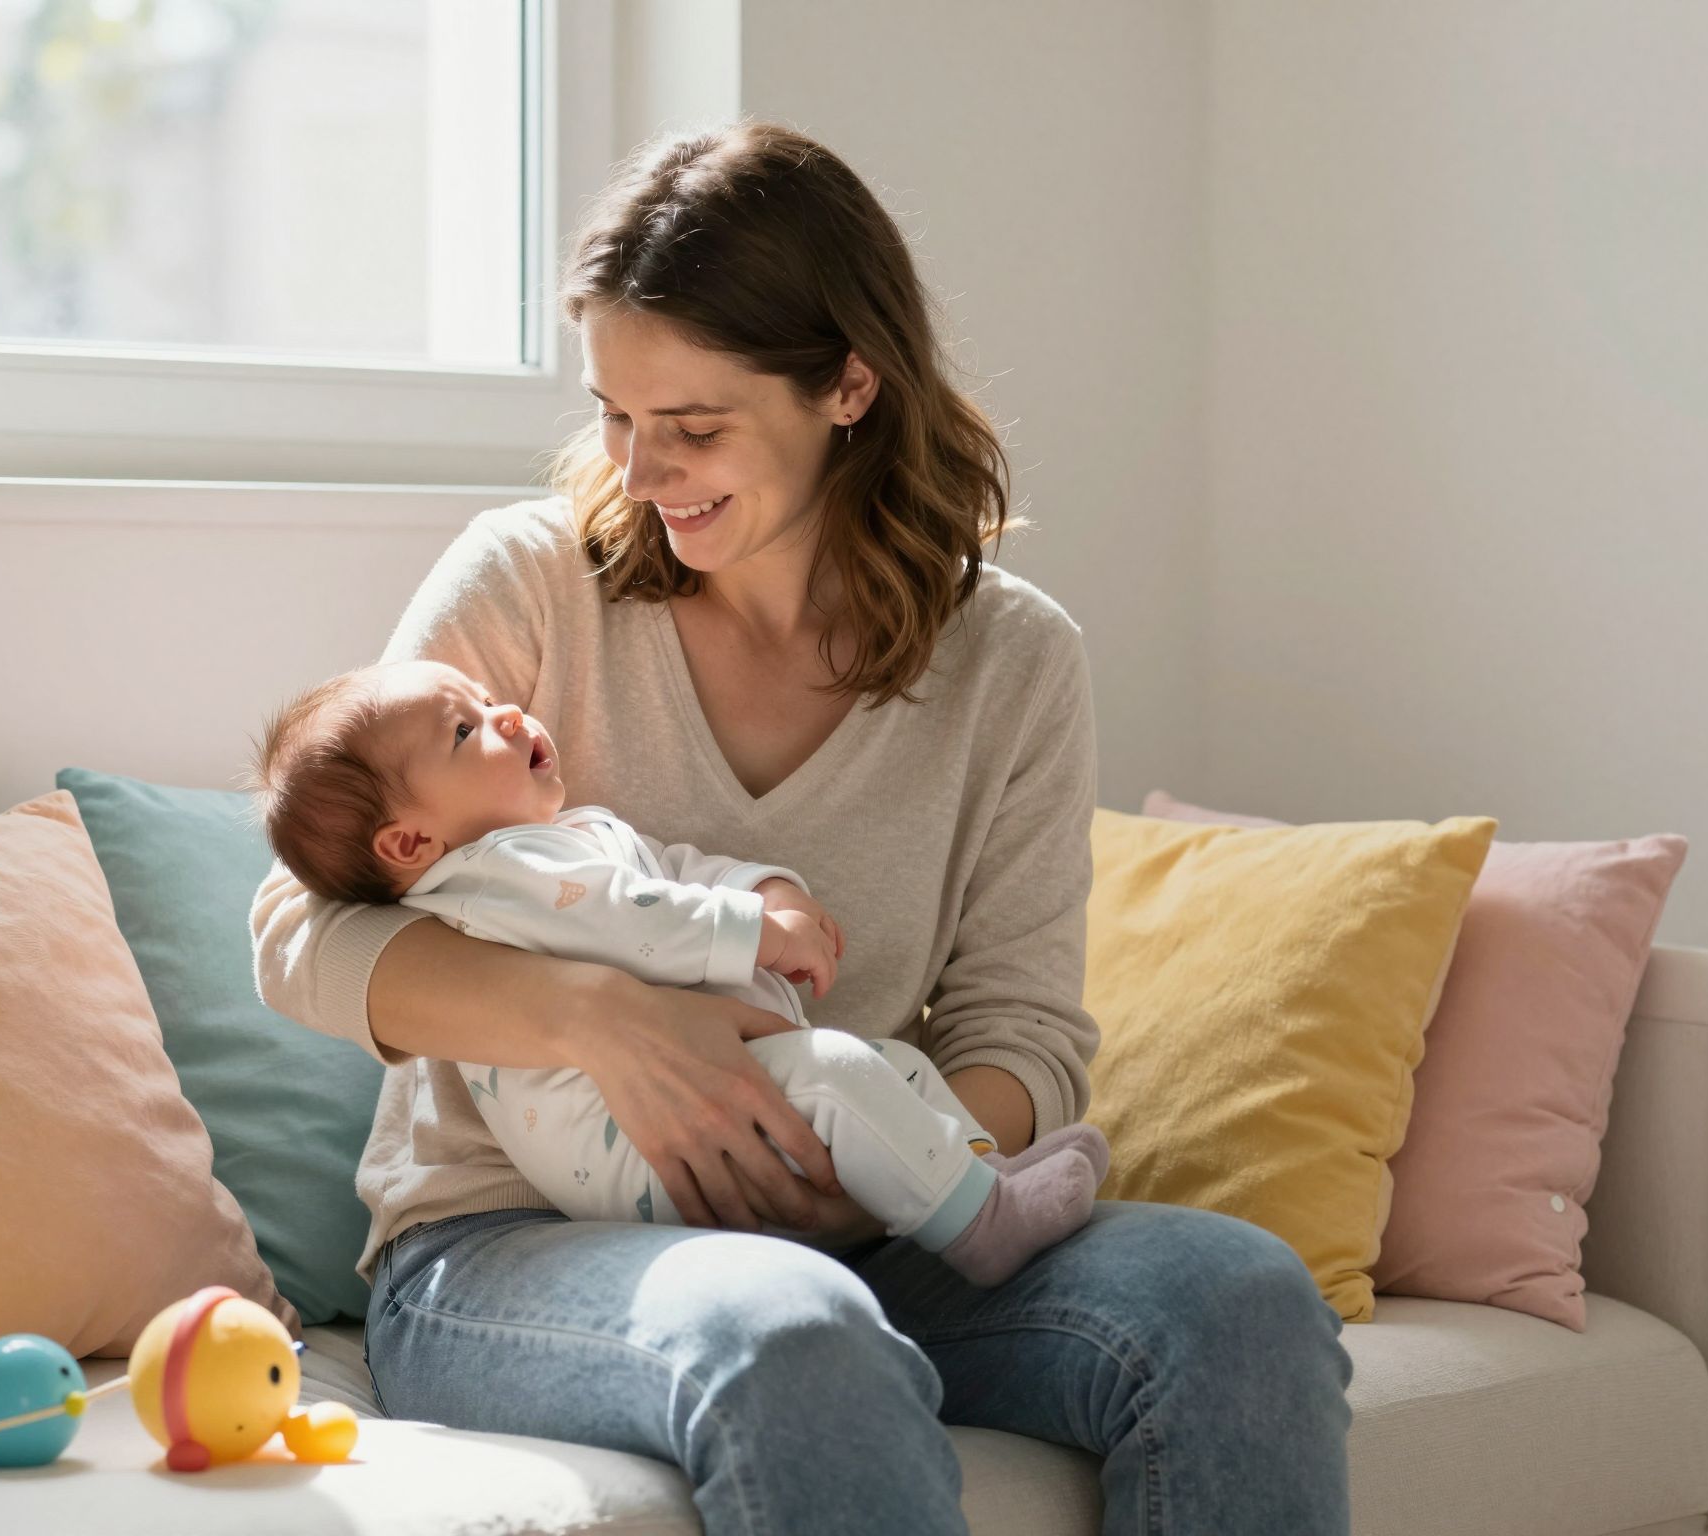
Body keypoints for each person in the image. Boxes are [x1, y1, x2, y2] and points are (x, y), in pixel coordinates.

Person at [250, 118, 1352, 1535]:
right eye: (615, 417)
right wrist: (596, 1018)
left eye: (695, 427)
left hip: (878, 1231)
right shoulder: (531, 586)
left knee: (1237, 1301)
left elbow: (1026, 1038)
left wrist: (881, 1155)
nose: (642, 472)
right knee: (790, 1326)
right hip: (508, 1250)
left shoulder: (1012, 662)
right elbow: (297, 931)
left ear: (847, 385)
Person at [246, 654, 1110, 1285]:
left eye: (486, 698)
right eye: (466, 729)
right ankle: (985, 1225)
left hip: (730, 1110)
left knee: (899, 1068)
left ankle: (976, 1176)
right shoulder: (489, 879)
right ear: (408, 842)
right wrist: (755, 935)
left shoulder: (571, 837)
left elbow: (674, 871)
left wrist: (768, 891)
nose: (507, 714)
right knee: (846, 1072)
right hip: (625, 1149)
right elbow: (629, 919)